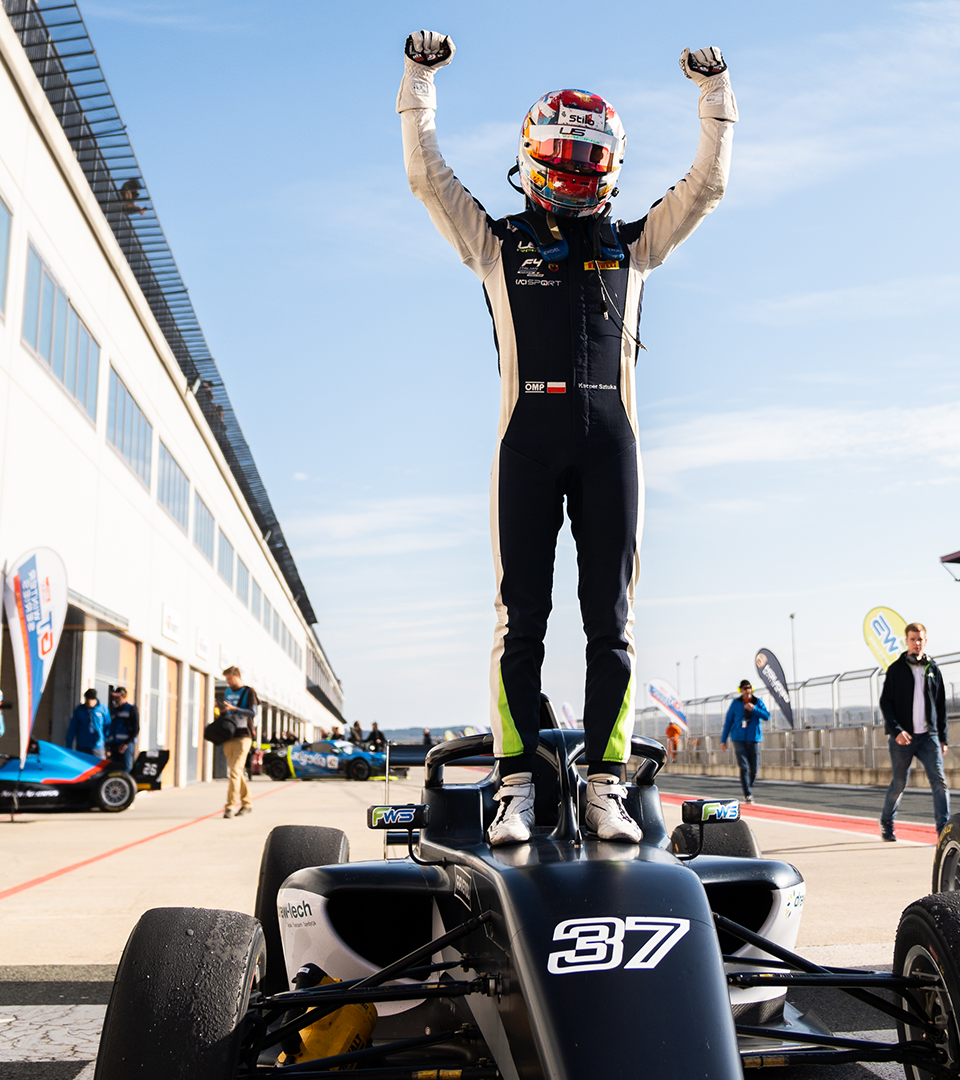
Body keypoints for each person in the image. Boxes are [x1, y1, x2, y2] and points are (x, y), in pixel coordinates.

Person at [398, 30, 736, 845]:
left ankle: (605, 784)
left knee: (610, 621)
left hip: (610, 444)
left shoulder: (633, 245)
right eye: (562, 152)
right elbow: (427, 178)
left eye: (587, 157)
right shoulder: (499, 243)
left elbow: (707, 188)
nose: (574, 168)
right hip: (527, 440)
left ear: (609, 166)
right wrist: (418, 82)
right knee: (522, 620)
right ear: (533, 153)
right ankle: (517, 784)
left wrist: (716, 98)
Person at [877, 623, 950, 842]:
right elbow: (885, 703)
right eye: (912, 639)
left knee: (940, 782)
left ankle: (944, 831)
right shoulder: (896, 669)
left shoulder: (933, 669)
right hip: (903, 738)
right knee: (899, 783)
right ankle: (887, 823)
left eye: (920, 639)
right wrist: (897, 730)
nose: (917, 643)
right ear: (906, 641)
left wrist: (943, 737)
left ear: (925, 641)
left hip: (929, 737)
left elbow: (940, 705)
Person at [720, 680, 769, 803]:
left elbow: (767, 716)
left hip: (753, 738)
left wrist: (754, 709)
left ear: (751, 689)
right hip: (738, 737)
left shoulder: (757, 702)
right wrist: (723, 740)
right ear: (740, 690)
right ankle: (747, 793)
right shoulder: (736, 703)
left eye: (748, 688)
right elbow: (728, 721)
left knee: (754, 768)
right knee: (744, 767)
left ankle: (749, 785)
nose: (747, 690)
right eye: (744, 688)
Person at [219, 667, 258, 818]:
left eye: (230, 679)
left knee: (234, 771)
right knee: (237, 773)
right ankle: (247, 803)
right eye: (227, 679)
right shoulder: (228, 692)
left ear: (237, 676)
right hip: (229, 735)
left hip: (243, 735)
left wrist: (234, 708)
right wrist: (224, 710)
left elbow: (252, 712)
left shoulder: (249, 692)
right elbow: (228, 711)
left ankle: (230, 807)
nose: (228, 682)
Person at [67, 689, 109, 757]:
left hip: (97, 747)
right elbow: (72, 728)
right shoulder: (80, 710)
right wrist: (69, 745)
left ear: (94, 699)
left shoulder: (103, 709)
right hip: (82, 746)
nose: (86, 703)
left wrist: (108, 744)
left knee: (97, 767)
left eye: (88, 701)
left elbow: (107, 727)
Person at [107, 686, 140, 766]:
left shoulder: (131, 709)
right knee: (114, 767)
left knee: (126, 767)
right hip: (114, 745)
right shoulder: (113, 710)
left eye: (117, 697)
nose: (115, 700)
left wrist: (126, 743)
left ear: (124, 696)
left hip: (125, 745)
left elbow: (136, 728)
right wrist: (108, 745)